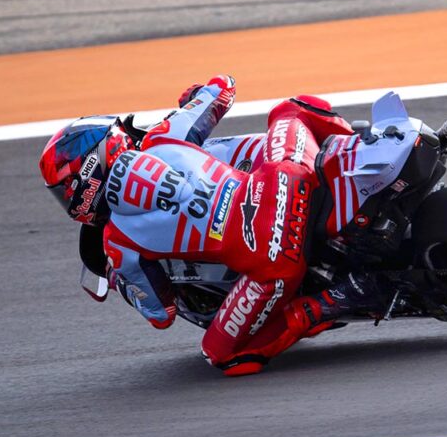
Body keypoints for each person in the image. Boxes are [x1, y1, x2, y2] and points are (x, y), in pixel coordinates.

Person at [40, 75, 356, 375]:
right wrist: (193, 97)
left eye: (65, 192)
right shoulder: (163, 135)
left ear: (86, 177)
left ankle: (329, 304)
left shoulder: (117, 240)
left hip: (273, 259)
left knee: (221, 355)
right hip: (286, 178)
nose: (69, 202)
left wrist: (118, 281)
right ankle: (354, 145)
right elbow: (224, 87)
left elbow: (161, 314)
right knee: (291, 109)